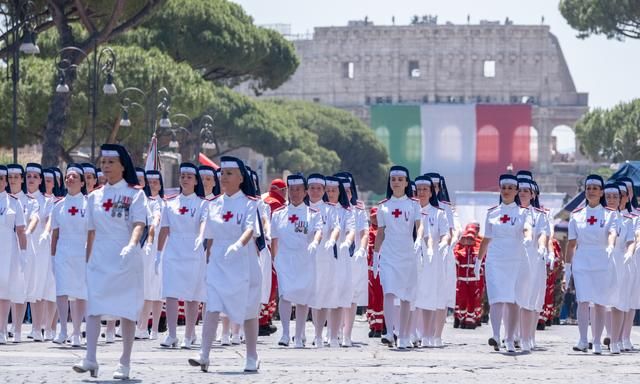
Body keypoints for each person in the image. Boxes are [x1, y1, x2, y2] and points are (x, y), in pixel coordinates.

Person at [72, 144, 147, 380]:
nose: (105, 166)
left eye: (110, 162)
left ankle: (124, 362)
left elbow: (139, 224)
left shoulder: (135, 194)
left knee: (126, 310)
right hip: (100, 258)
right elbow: (91, 232)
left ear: (123, 165)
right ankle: (90, 357)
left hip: (126, 258)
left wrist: (131, 244)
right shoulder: (93, 196)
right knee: (94, 308)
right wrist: (87, 260)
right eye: (103, 162)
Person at [188, 156, 262, 372]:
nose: (224, 178)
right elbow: (209, 234)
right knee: (212, 306)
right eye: (222, 174)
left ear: (240, 178)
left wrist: (239, 244)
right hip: (219, 262)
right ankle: (204, 354)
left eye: (229, 174)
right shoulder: (213, 205)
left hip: (243, 261)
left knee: (248, 310)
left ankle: (251, 356)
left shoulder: (250, 203)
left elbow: (250, 228)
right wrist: (206, 256)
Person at [477, 174, 531, 353]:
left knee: (513, 300)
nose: (506, 191)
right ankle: (495, 335)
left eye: (510, 188)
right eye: (504, 187)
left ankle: (509, 338)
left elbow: (527, 229)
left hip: (515, 259)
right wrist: (478, 262)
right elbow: (486, 239)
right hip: (495, 260)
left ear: (516, 191)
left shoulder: (524, 212)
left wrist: (528, 238)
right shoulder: (492, 213)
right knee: (496, 298)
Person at [564, 175, 617, 355]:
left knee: (600, 303)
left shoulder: (610, 214)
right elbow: (571, 244)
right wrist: (567, 269)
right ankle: (582, 339)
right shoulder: (576, 215)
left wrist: (610, 245)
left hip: (602, 260)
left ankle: (596, 341)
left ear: (601, 192)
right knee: (583, 301)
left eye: (595, 188)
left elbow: (612, 233)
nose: (591, 191)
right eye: (588, 188)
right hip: (582, 261)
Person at [157, 163, 207, 349]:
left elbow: (203, 223)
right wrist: (158, 253)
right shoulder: (170, 203)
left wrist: (200, 237)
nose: (185, 179)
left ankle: (188, 334)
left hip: (194, 251)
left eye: (189, 177)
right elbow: (164, 229)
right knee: (170, 293)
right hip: (174, 250)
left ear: (195, 181)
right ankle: (171, 335)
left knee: (192, 295)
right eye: (182, 176)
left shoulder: (202, 204)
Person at [373, 165, 423, 349]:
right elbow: (380, 233)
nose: (396, 182)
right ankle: (389, 331)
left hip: (407, 254)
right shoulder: (384, 206)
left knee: (406, 297)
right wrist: (375, 257)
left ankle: (403, 335)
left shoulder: (414, 204)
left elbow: (420, 225)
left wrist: (418, 240)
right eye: (393, 179)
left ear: (406, 182)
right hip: (389, 255)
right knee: (389, 291)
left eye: (400, 179)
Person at [272, 174, 323, 348]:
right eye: (292, 190)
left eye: (298, 190)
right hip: (285, 259)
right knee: (285, 295)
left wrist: (315, 242)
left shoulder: (313, 214)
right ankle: (285, 333)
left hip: (305, 259)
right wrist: (274, 260)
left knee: (302, 296)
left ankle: (299, 334)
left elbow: (318, 231)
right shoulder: (279, 214)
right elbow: (274, 238)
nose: (294, 193)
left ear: (305, 191)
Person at [50, 164, 88, 347]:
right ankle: (63, 329)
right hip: (63, 251)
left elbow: (92, 232)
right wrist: (52, 257)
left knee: (80, 293)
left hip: (82, 252)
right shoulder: (58, 207)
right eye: (68, 177)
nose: (70, 179)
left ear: (82, 182)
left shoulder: (89, 205)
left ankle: (76, 332)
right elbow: (55, 235)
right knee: (62, 291)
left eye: (74, 177)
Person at [414, 175, 449, 347]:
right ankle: (411, 333)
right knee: (410, 298)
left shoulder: (439, 213)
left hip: (431, 259)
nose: (421, 193)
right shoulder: (409, 210)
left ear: (431, 192)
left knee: (428, 297)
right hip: (410, 259)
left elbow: (445, 234)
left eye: (425, 190)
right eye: (418, 190)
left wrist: (443, 243)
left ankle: (428, 335)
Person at [515, 176, 549, 352]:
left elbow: (544, 233)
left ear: (533, 194)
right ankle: (513, 335)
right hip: (513, 260)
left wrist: (543, 247)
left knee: (531, 300)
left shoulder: (540, 215)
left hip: (534, 260)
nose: (522, 194)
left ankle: (527, 336)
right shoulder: (510, 211)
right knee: (514, 299)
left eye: (526, 191)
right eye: (519, 191)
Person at [306, 174, 340, 348]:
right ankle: (316, 333)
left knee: (325, 296)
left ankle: (322, 333)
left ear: (324, 190)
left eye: (319, 188)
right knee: (313, 297)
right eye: (312, 188)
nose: (315, 191)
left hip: (325, 257)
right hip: (306, 258)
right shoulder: (302, 208)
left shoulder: (330, 209)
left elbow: (335, 228)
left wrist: (332, 240)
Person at [324, 176, 356, 347]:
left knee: (338, 295)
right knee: (324, 295)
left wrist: (347, 242)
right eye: (327, 191)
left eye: (333, 191)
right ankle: (325, 333)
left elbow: (351, 230)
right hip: (322, 258)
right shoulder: (318, 210)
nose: (330, 194)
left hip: (340, 257)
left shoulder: (346, 211)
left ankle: (335, 334)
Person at [605, 182, 635, 354]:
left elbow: (631, 240)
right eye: (608, 196)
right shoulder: (599, 217)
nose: (612, 199)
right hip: (602, 263)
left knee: (620, 303)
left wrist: (629, 253)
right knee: (601, 303)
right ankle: (603, 336)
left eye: (617, 196)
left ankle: (618, 338)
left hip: (621, 263)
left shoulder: (628, 220)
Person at [0, 165, 28, 344]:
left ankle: (1, 329)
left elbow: (20, 230)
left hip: (7, 249)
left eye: (2, 178)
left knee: (3, 290)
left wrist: (23, 253)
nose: (1, 182)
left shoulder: (13, 201)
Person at [136, 169, 165, 340]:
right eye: (150, 182)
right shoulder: (143, 202)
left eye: (156, 182)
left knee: (157, 289)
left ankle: (153, 328)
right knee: (145, 288)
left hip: (158, 248)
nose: (153, 184)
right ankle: (141, 326)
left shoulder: (162, 203)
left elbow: (156, 221)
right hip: (145, 248)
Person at [258, 178, 287, 336]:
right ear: (283, 191)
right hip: (273, 248)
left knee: (264, 283)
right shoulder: (278, 205)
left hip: (261, 246)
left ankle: (263, 318)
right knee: (270, 285)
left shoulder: (263, 199)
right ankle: (263, 320)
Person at [453, 225, 482, 330]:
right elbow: (455, 261)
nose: (469, 241)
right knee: (462, 299)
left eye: (471, 239)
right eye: (467, 239)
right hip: (462, 281)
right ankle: (462, 317)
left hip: (473, 281)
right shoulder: (460, 252)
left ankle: (470, 319)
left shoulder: (478, 252)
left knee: (473, 300)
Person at [366, 207, 385, 337]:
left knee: (379, 297)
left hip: (380, 267)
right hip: (370, 269)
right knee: (372, 299)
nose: (375, 219)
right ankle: (374, 324)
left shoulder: (382, 231)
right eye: (373, 217)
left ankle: (380, 326)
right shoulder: (369, 231)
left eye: (377, 216)